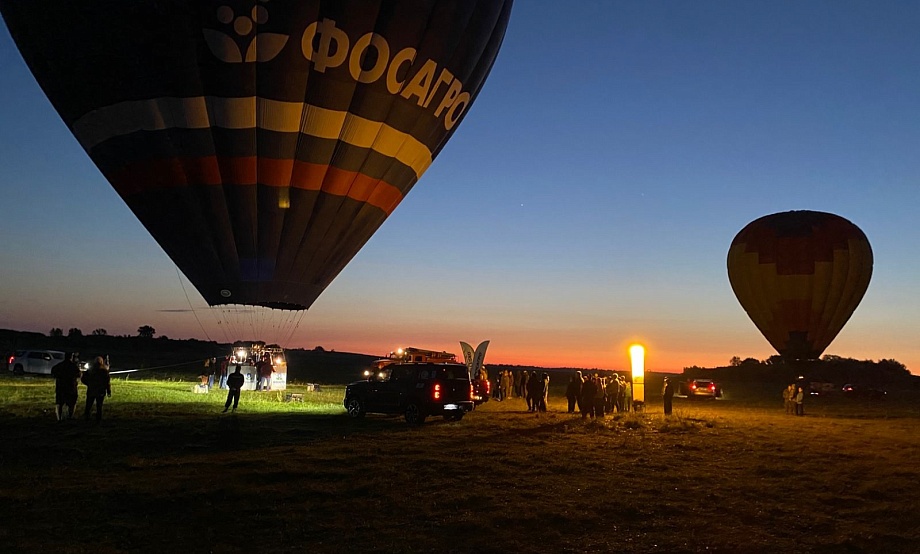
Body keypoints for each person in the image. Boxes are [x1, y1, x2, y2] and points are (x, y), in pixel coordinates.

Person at [51, 352, 81, 420]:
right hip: (71, 387)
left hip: (60, 387)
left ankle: (59, 418)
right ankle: (70, 416)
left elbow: (53, 372)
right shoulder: (73, 366)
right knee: (72, 403)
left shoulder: (59, 365)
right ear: (71, 357)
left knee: (59, 403)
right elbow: (79, 375)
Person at [81, 356, 111, 422]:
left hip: (91, 390)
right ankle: (98, 419)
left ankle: (86, 417)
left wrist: (88, 384)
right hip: (100, 391)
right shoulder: (104, 371)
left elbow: (83, 378)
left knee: (88, 404)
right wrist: (108, 390)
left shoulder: (90, 371)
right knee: (99, 405)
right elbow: (107, 382)